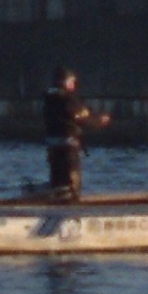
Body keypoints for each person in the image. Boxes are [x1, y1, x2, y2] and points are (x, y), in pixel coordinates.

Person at [42, 67, 109, 199]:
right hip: (68, 148)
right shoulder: (68, 99)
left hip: (53, 147)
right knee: (71, 183)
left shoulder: (48, 99)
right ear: (64, 82)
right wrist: (99, 122)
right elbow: (81, 118)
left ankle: (56, 204)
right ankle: (70, 208)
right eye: (71, 81)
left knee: (57, 182)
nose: (73, 85)